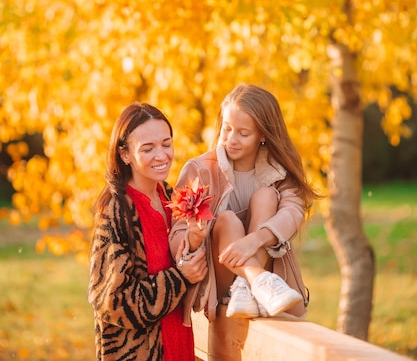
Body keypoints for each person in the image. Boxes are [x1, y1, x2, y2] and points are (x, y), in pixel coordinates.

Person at [169, 83, 320, 324]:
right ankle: (256, 279)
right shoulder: (200, 169)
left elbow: (293, 212)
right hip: (219, 280)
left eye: (243, 133)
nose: (231, 139)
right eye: (227, 129)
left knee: (266, 196)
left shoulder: (278, 171)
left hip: (263, 277)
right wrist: (195, 237)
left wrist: (255, 240)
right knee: (227, 219)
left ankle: (247, 286)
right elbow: (176, 232)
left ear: (263, 134)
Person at [88, 102, 208, 361]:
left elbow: (184, 261)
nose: (162, 155)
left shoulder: (172, 198)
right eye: (148, 148)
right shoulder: (115, 210)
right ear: (125, 154)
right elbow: (113, 302)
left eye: (166, 143)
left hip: (179, 348)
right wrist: (180, 277)